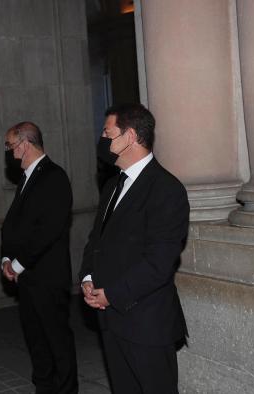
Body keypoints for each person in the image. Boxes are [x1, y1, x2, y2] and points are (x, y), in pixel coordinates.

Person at [80, 104, 189, 393]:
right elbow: (96, 241)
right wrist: (88, 278)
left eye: (107, 132)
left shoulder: (166, 189)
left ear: (129, 137)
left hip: (146, 323)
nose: (102, 139)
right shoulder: (113, 185)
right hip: (111, 319)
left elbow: (160, 262)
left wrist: (111, 295)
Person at [1, 121, 78, 393]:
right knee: (36, 340)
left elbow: (49, 229)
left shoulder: (53, 176)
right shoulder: (28, 177)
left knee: (57, 340)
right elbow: (14, 225)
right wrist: (6, 259)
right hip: (29, 277)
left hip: (47, 276)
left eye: (11, 146)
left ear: (25, 143)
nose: (10, 153)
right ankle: (44, 387)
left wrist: (19, 264)